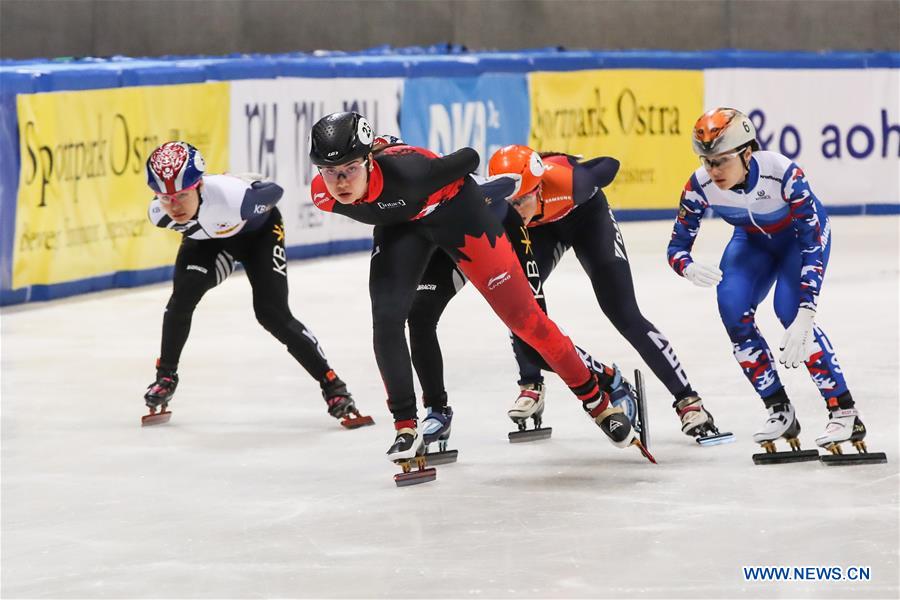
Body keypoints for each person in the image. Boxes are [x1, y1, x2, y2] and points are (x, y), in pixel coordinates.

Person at [308, 112, 651, 469]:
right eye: (329, 172)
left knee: (526, 321)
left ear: (368, 161)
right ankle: (406, 426)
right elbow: (363, 194)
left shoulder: (411, 172)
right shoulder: (322, 194)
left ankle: (597, 403)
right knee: (388, 320)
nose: (340, 182)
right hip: (402, 226)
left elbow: (469, 157)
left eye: (349, 169)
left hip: (459, 215)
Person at [409, 144, 725, 444]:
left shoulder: (571, 181)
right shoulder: (508, 209)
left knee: (623, 312)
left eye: (522, 201)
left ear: (539, 188)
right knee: (522, 312)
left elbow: (609, 165)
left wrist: (570, 163)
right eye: (510, 202)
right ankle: (532, 384)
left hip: (587, 217)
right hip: (537, 233)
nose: (515, 209)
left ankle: (688, 400)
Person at [667, 107, 875, 459]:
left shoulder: (784, 173)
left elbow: (812, 243)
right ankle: (779, 409)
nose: (712, 171)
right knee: (732, 308)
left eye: (721, 161)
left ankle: (844, 411)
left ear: (747, 152)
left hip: (799, 241)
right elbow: (676, 246)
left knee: (789, 310)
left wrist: (807, 310)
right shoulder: (698, 185)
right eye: (706, 161)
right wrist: (685, 265)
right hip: (752, 242)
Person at [141, 141, 370, 428]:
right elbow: (193, 222)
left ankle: (333, 385)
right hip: (208, 242)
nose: (174, 206)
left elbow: (275, 192)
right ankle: (165, 377)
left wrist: (243, 182)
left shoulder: (234, 198)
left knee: (272, 314)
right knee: (181, 299)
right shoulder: (159, 214)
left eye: (182, 195)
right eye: (165, 198)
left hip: (258, 235)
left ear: (199, 185)